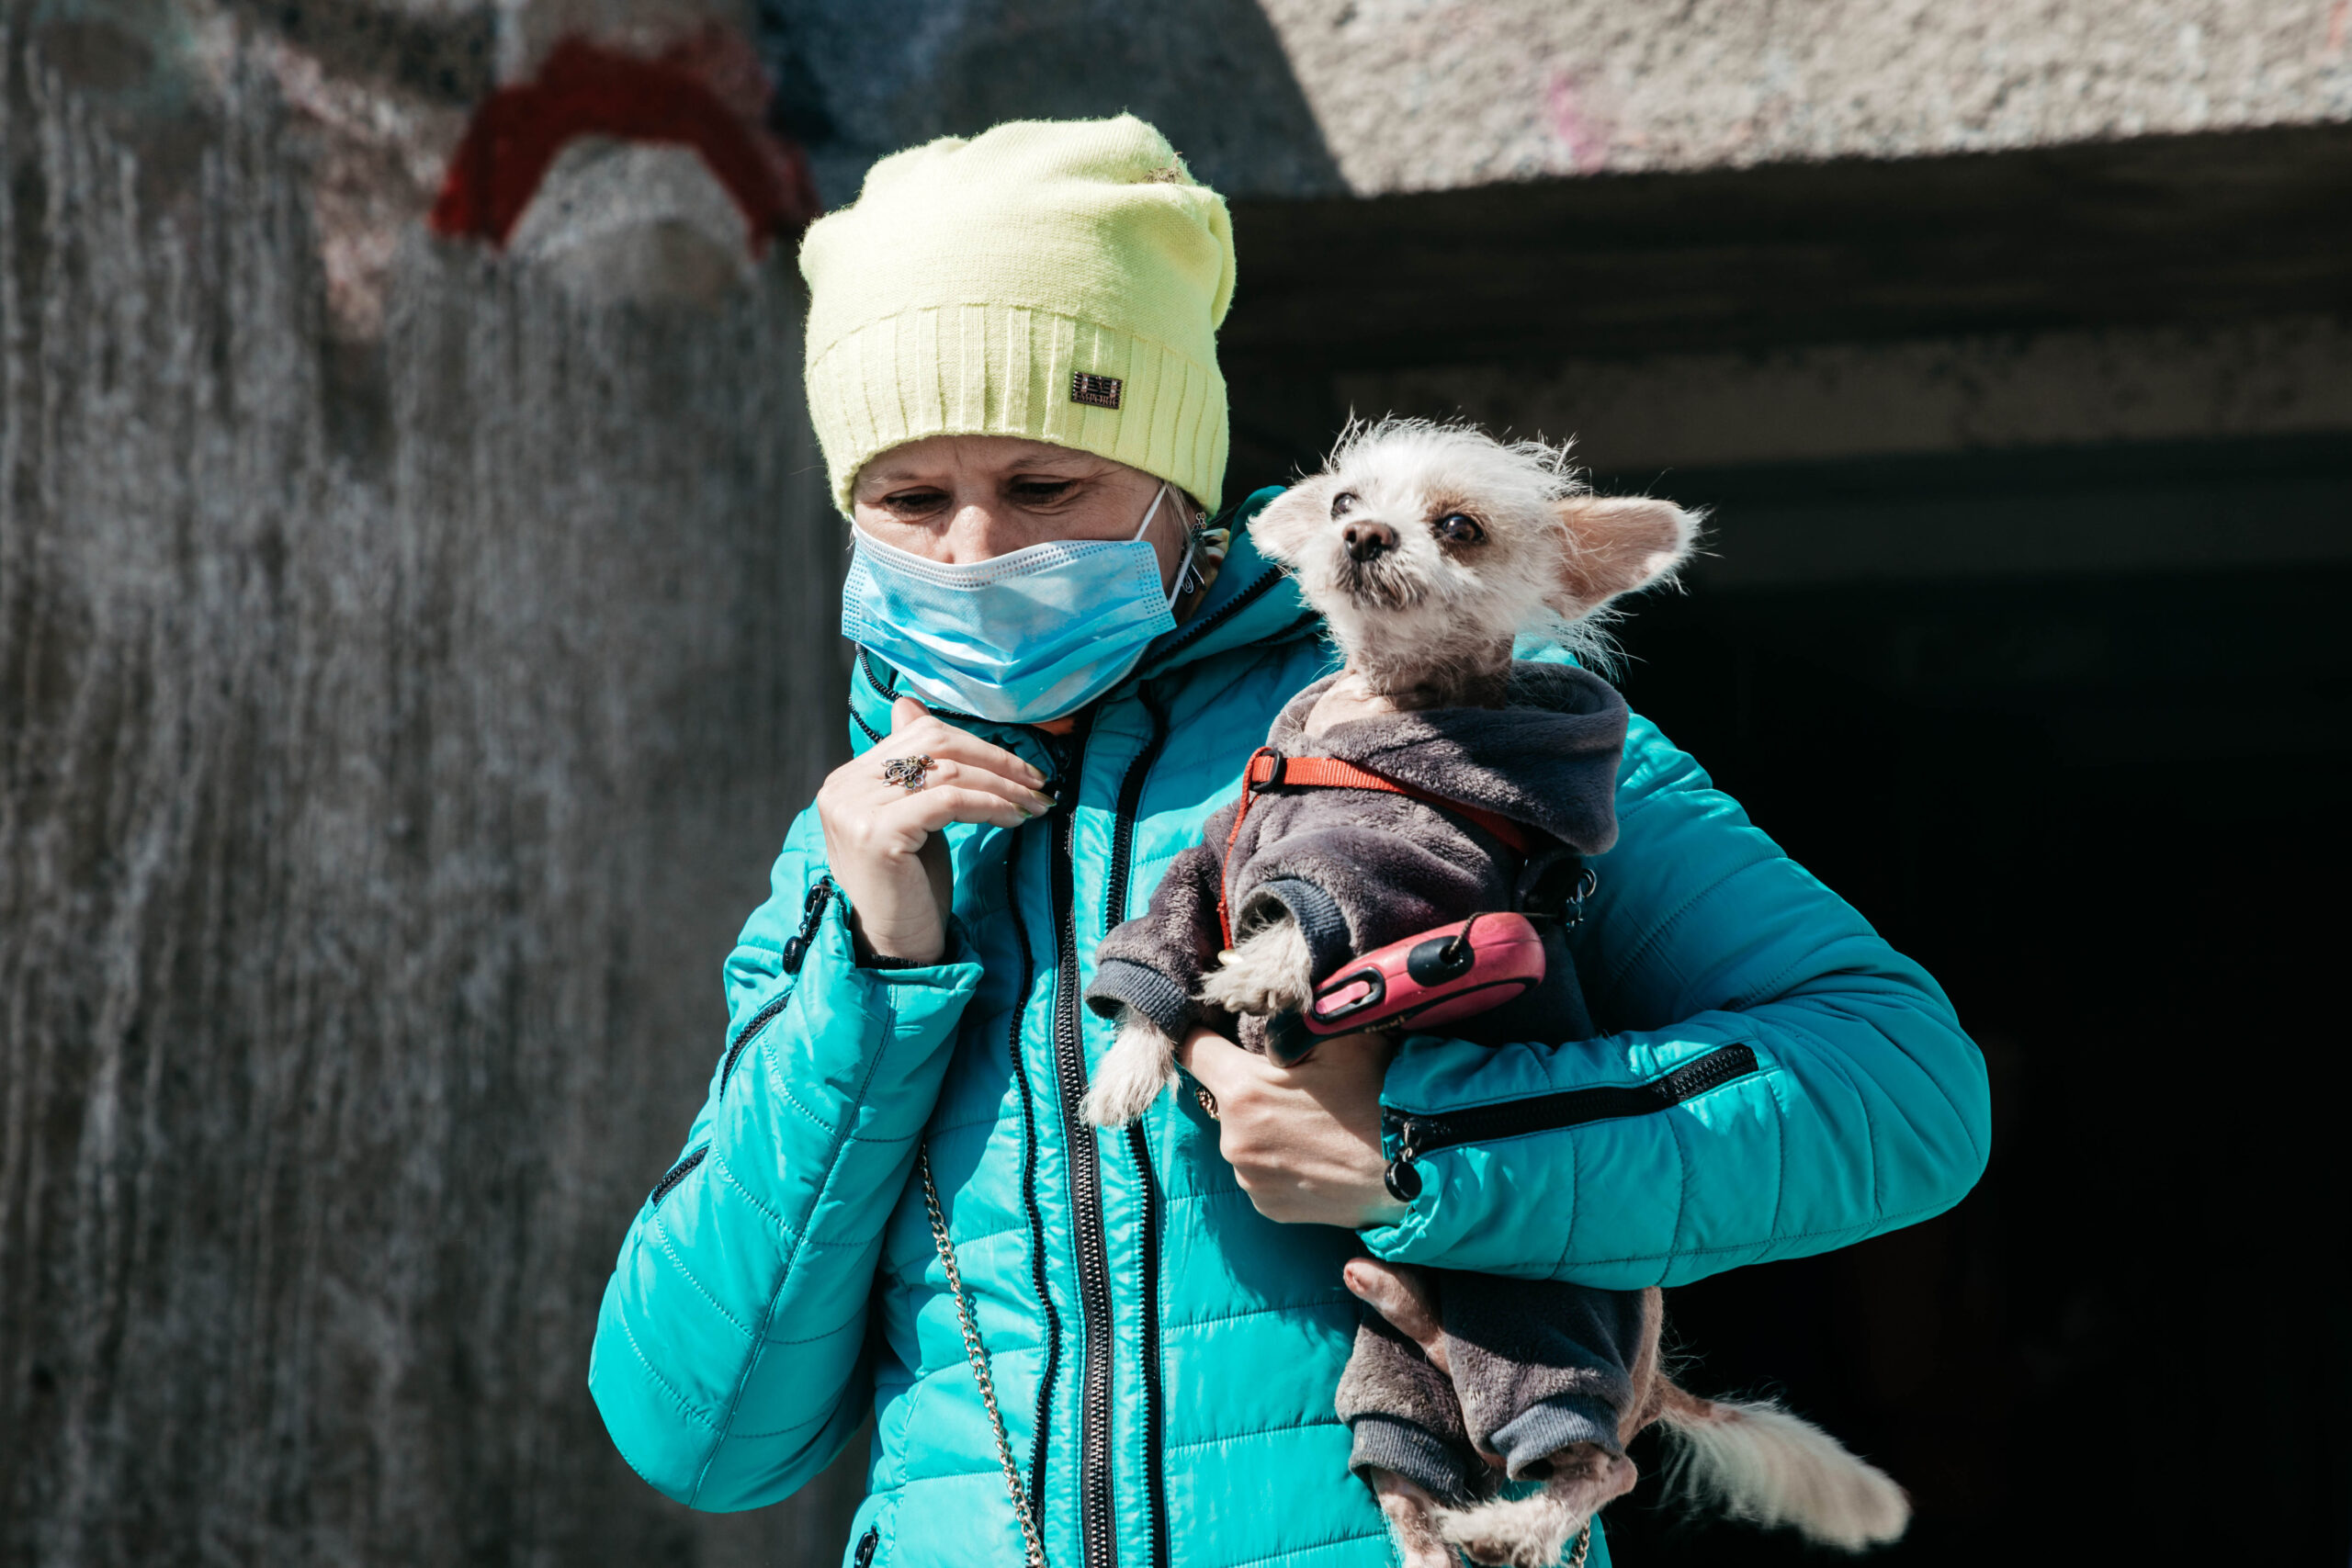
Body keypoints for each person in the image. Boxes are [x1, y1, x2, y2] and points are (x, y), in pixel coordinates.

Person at [587, 115, 1990, 1568]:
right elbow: (702, 1434)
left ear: (1178, 483)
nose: (974, 552)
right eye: (911, 498)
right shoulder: (861, 846)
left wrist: (1417, 1144)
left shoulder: (1472, 727)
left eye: (1048, 488)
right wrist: (874, 971)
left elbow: (1901, 1091)